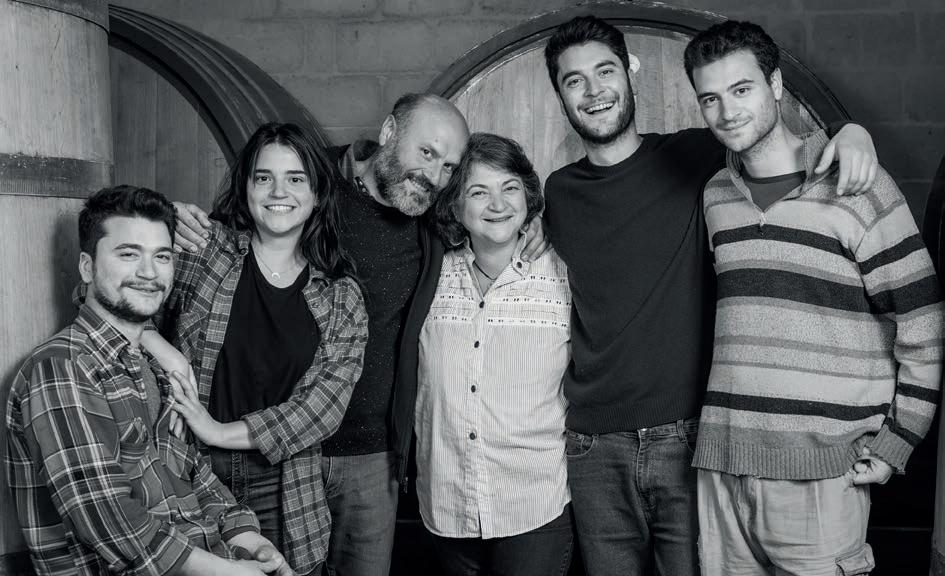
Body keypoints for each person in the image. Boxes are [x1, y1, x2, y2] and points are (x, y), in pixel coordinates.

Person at [540, 15, 880, 576]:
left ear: (630, 74)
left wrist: (850, 131)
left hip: (690, 435)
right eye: (574, 80)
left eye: (605, 71)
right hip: (591, 444)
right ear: (560, 96)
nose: (594, 90)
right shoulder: (558, 192)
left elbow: (775, 138)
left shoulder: (697, 157)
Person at [172, 94, 548, 576]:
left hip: (371, 455)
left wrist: (539, 221)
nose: (434, 176)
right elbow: (234, 242)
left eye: (449, 167)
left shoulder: (435, 215)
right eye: (426, 153)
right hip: (281, 447)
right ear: (389, 132)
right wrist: (172, 224)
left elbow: (497, 211)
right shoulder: (311, 182)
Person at [684, 20, 943, 576]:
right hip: (722, 466)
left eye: (742, 89)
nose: (727, 111)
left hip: (823, 474)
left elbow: (922, 322)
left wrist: (899, 440)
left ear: (776, 84)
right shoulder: (716, 197)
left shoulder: (859, 186)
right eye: (710, 98)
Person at [5, 185, 292, 576]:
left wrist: (251, 542)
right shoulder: (61, 369)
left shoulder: (154, 364)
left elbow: (194, 474)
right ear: (87, 267)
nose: (149, 272)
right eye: (128, 254)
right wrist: (230, 572)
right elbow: (108, 518)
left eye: (162, 256)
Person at [142, 122, 368, 576]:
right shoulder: (203, 250)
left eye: (295, 178)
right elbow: (106, 295)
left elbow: (321, 409)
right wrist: (165, 351)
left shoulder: (340, 296)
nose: (278, 191)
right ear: (246, 187)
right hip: (185, 468)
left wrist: (217, 430)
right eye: (264, 177)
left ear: (318, 193)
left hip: (283, 485)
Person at [417, 133, 573, 575]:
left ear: (529, 198)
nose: (498, 204)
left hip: (533, 506)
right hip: (446, 504)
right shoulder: (429, 272)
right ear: (455, 206)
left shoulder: (564, 273)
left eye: (510, 188)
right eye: (478, 192)